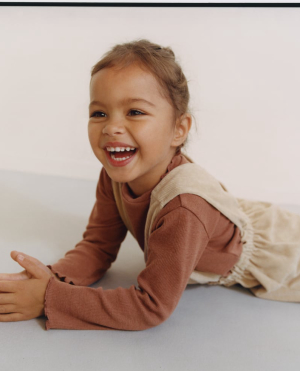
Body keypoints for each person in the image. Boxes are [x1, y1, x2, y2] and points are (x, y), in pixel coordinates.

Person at [1, 40, 300, 330]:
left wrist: (50, 299)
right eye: (99, 113)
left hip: (286, 254)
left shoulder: (185, 210)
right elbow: (97, 247)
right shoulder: (117, 175)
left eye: (135, 112)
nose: (111, 127)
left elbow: (150, 306)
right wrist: (45, 279)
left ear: (178, 130)